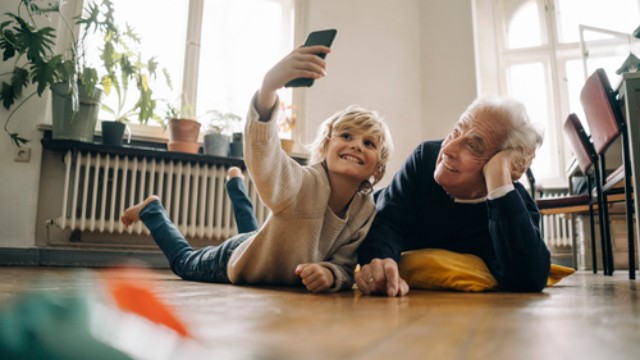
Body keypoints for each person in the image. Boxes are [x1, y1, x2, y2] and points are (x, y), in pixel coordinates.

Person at [121, 44, 394, 293]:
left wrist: (330, 273)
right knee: (183, 261)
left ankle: (234, 184)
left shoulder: (365, 209)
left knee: (256, 232)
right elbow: (267, 159)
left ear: (377, 167)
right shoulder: (301, 182)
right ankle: (152, 211)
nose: (357, 145)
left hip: (265, 245)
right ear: (324, 147)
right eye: (346, 136)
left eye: (368, 143)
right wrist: (268, 89)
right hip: (233, 260)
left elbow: (345, 265)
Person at [354, 96, 551, 297]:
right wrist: (380, 260)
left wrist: (499, 179)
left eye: (473, 146)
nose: (447, 149)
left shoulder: (509, 205)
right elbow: (387, 222)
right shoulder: (425, 158)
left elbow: (528, 279)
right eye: (455, 131)